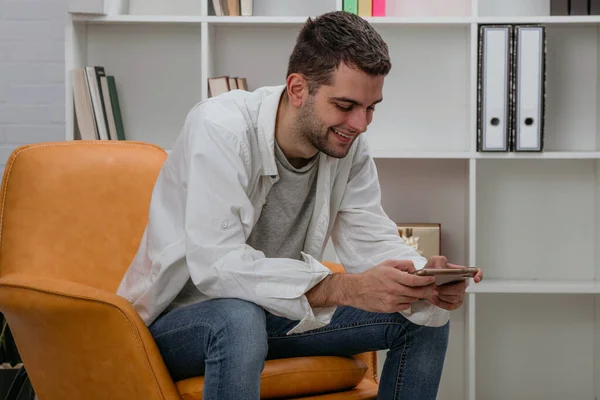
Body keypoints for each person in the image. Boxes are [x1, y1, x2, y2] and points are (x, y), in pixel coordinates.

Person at [117, 10, 483, 400]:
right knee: (238, 318)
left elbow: (370, 240)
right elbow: (217, 268)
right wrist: (344, 289)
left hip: (272, 317)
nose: (360, 124)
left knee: (423, 318)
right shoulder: (220, 127)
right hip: (184, 325)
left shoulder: (348, 147)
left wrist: (423, 279)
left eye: (371, 107)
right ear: (297, 89)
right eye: (345, 105)